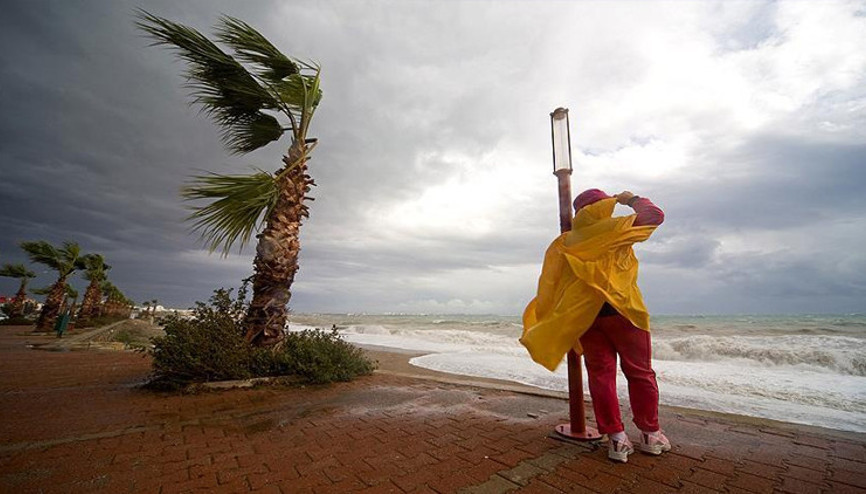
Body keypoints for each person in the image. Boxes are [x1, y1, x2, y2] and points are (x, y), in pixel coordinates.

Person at [520, 188, 668, 463]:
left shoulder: (567, 240)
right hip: (624, 311)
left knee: (601, 376)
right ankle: (650, 434)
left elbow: (553, 281)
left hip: (586, 318)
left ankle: (616, 440)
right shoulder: (614, 227)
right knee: (640, 373)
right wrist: (630, 200)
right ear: (604, 206)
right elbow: (654, 215)